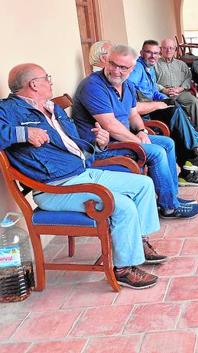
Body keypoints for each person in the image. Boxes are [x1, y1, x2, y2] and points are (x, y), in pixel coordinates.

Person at [1, 63, 167, 289]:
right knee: (124, 206)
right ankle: (123, 269)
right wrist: (24, 132)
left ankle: (137, 242)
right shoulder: (9, 110)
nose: (50, 81)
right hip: (56, 187)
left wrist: (98, 143)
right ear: (33, 84)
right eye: (46, 77)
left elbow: (74, 144)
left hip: (81, 173)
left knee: (143, 184)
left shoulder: (53, 108)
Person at [72, 44, 198, 219]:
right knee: (156, 152)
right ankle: (169, 207)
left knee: (168, 143)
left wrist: (141, 131)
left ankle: (171, 196)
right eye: (113, 64)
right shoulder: (93, 86)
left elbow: (133, 114)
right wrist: (138, 141)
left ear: (132, 68)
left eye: (123, 67)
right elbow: (110, 126)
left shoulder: (127, 85)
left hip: (120, 140)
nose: (116, 71)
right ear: (106, 61)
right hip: (101, 147)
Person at [127, 39, 198, 185]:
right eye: (149, 52)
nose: (153, 56)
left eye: (155, 53)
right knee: (174, 115)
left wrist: (165, 99)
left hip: (154, 105)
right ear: (142, 53)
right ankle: (192, 157)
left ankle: (189, 165)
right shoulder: (138, 68)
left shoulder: (149, 68)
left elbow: (154, 91)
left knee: (175, 109)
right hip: (144, 114)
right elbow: (129, 86)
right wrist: (156, 103)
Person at [156, 37, 198, 132]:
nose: (168, 50)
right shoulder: (155, 65)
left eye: (171, 48)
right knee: (174, 107)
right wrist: (163, 89)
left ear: (175, 50)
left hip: (180, 92)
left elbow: (188, 78)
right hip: (162, 94)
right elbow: (151, 82)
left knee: (194, 102)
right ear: (161, 49)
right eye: (165, 48)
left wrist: (181, 88)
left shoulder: (181, 64)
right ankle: (182, 133)